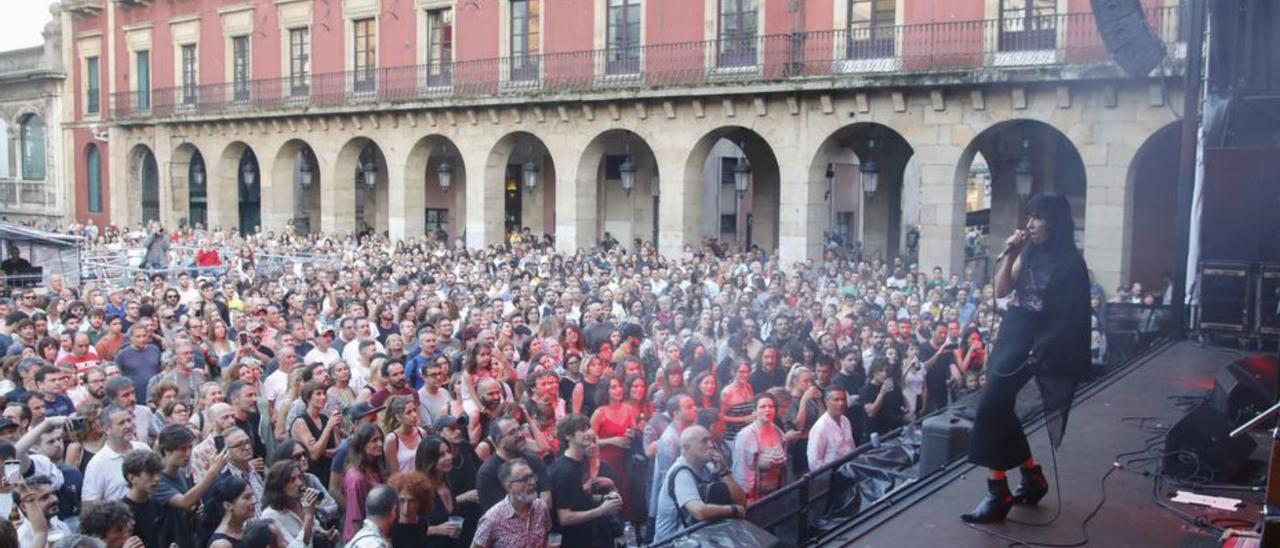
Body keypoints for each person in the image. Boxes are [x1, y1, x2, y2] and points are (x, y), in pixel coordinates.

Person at [962, 194, 1091, 523]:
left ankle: (998, 492)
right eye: (1029, 217)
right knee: (1000, 406)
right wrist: (1011, 253)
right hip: (1013, 331)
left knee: (990, 406)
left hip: (1039, 340)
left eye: (1038, 218)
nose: (1030, 224)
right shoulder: (1030, 250)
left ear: (1055, 222)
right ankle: (1032, 476)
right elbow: (1002, 290)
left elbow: (1070, 316)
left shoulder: (1072, 264)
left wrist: (1041, 348)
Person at [652, 426, 746, 544]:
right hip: (672, 542)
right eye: (704, 441)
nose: (711, 444)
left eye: (710, 440)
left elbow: (740, 501)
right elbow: (699, 511)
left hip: (696, 538)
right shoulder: (681, 473)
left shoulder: (709, 466)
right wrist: (732, 510)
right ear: (686, 447)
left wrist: (724, 471)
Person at [548, 414, 623, 547]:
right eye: (582, 430)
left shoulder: (582, 460)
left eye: (588, 428)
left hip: (589, 537)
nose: (589, 433)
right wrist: (601, 510)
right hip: (573, 542)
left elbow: (580, 497)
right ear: (568, 436)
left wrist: (603, 498)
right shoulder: (565, 471)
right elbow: (565, 518)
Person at [81, 405, 151, 513]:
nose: (128, 425)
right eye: (121, 423)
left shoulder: (143, 449)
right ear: (106, 429)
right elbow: (89, 506)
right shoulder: (97, 464)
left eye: (129, 420)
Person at [472, 459, 551, 548]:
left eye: (532, 476)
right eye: (525, 479)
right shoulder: (493, 518)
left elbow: (546, 537)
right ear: (509, 487)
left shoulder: (541, 507)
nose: (532, 482)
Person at [731, 393, 788, 502]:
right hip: (754, 499)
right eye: (762, 407)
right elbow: (741, 472)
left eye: (771, 406)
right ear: (755, 411)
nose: (768, 410)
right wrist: (748, 499)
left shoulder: (779, 433)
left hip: (777, 495)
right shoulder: (746, 436)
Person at [259, 460, 323, 548]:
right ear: (279, 485)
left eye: (300, 477)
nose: (299, 483)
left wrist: (326, 534)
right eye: (292, 480)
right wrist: (308, 516)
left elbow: (315, 530)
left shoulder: (301, 503)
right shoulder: (270, 515)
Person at [343, 423, 388, 542]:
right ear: (363, 445)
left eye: (380, 439)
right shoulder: (355, 478)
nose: (380, 444)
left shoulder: (376, 469)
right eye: (374, 440)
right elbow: (355, 518)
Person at [806, 387, 856, 470]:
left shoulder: (845, 420)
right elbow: (814, 462)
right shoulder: (820, 427)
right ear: (826, 402)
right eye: (836, 400)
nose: (841, 403)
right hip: (829, 476)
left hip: (848, 471)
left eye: (843, 399)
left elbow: (851, 447)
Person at [207, 475, 256, 548]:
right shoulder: (222, 544)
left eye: (252, 496)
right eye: (247, 497)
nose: (254, 501)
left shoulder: (247, 530)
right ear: (228, 505)